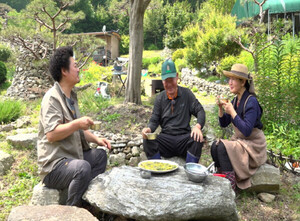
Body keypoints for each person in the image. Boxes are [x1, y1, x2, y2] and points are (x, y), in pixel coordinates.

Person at [37, 46, 111, 207]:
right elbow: (52, 134)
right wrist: (77, 123)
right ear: (64, 71)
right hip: (54, 166)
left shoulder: (71, 96)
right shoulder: (52, 98)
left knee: (100, 156)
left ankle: (85, 200)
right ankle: (72, 211)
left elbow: (77, 131)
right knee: (82, 167)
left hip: (72, 158)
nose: (79, 69)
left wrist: (97, 139)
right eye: (75, 66)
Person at [211, 64, 267, 191]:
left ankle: (231, 187)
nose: (229, 82)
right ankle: (223, 179)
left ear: (242, 82)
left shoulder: (251, 101)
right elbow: (224, 123)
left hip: (253, 144)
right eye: (229, 79)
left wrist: (233, 112)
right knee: (214, 146)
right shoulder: (236, 99)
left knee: (222, 147)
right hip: (242, 141)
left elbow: (247, 130)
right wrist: (221, 109)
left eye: (233, 79)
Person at [142, 59, 205, 163]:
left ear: (177, 76)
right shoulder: (160, 98)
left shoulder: (187, 94)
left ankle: (190, 170)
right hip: (166, 139)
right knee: (147, 140)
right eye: (166, 81)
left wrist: (198, 127)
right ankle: (157, 168)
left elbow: (200, 111)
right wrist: (149, 129)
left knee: (197, 139)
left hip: (184, 138)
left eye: (171, 79)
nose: (169, 84)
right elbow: (154, 120)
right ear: (162, 81)